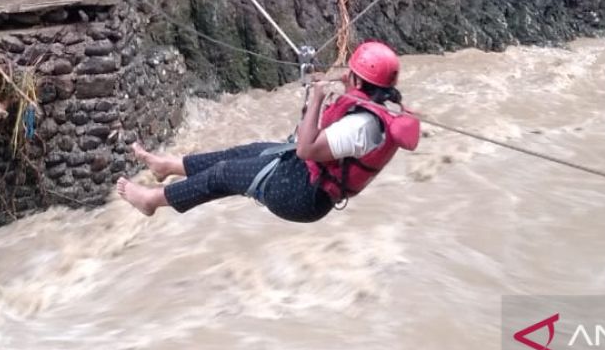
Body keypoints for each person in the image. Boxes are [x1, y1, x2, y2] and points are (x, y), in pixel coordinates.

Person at [117, 41, 421, 222]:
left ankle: (152, 201)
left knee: (225, 173)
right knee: (243, 153)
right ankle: (167, 166)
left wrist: (316, 99)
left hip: (302, 194)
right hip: (304, 176)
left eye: (350, 73)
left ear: (358, 79)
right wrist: (334, 89)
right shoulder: (369, 105)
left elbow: (306, 150)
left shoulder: (361, 127)